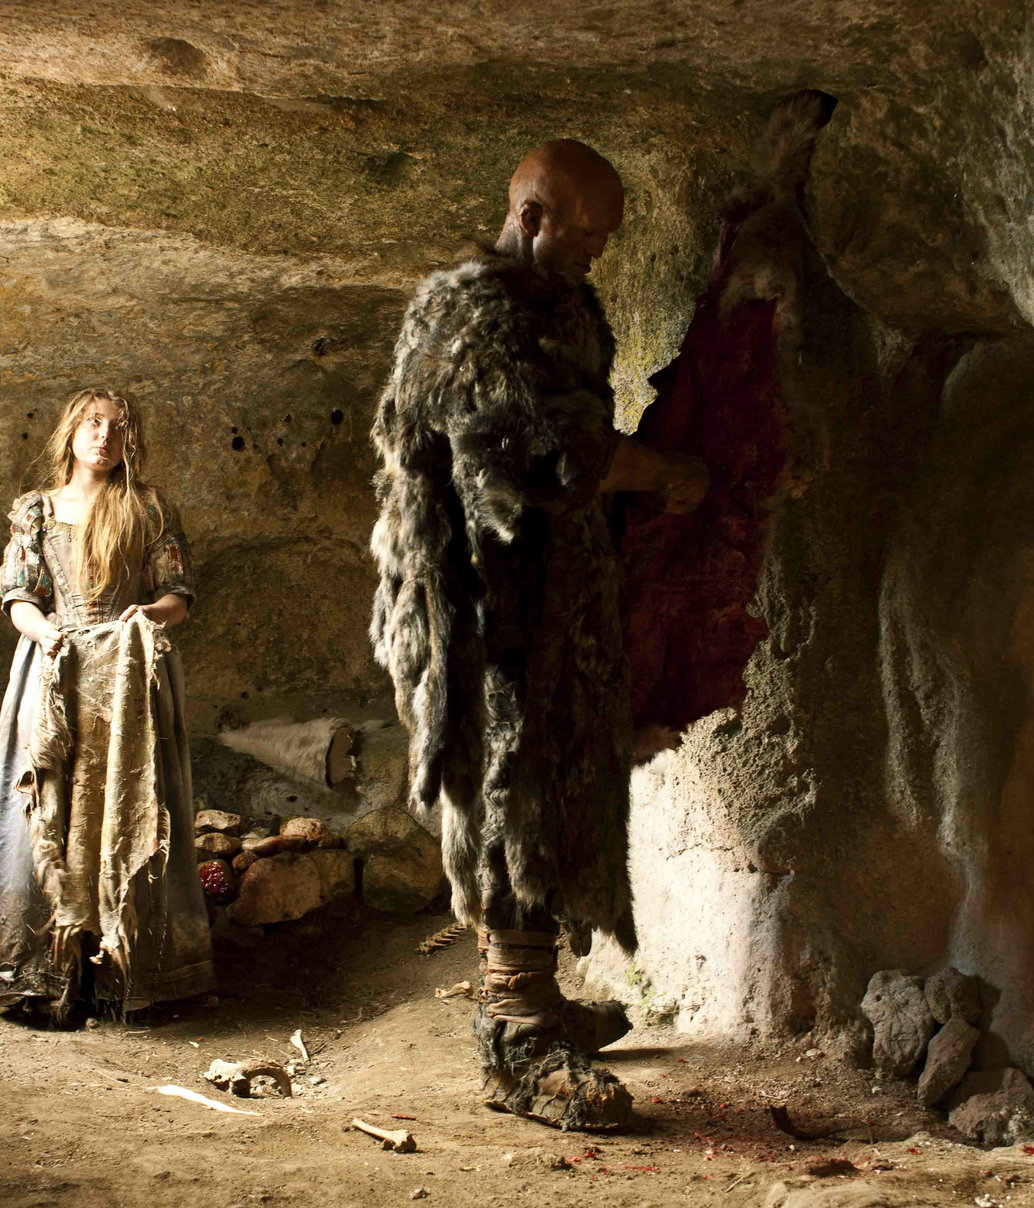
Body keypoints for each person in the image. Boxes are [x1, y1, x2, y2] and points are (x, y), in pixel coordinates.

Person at [368, 140, 708, 1128]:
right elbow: (545, 454)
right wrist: (663, 473)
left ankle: (539, 997)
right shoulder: (471, 318)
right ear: (530, 216)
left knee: (558, 786)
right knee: (510, 795)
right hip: (485, 609)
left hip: (551, 597)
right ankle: (517, 1036)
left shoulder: (561, 306)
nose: (600, 252)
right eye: (587, 234)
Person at [0, 387, 214, 1022]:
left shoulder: (148, 508)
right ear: (70, 433)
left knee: (130, 804)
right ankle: (44, 975)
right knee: (46, 805)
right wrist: (44, 632)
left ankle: (129, 976)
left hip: (129, 672)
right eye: (93, 423)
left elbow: (177, 597)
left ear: (130, 440)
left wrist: (147, 614)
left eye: (118, 427)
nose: (104, 436)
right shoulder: (37, 510)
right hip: (56, 667)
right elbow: (20, 597)